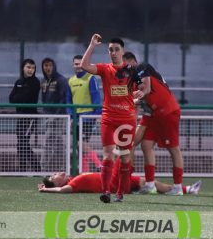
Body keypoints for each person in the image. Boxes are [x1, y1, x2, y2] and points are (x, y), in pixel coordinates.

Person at [80, 34, 136, 203]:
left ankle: (120, 192)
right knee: (108, 156)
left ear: (123, 51)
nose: (113, 52)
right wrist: (91, 45)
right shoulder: (105, 69)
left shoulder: (132, 71)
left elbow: (144, 87)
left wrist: (142, 93)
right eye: (110, 50)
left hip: (126, 120)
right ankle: (105, 191)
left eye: (116, 49)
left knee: (125, 158)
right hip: (108, 119)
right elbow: (84, 65)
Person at [123, 52, 184, 196]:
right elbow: (136, 101)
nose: (124, 67)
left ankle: (178, 187)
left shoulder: (143, 68)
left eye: (126, 63)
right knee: (146, 145)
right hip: (153, 114)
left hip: (167, 111)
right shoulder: (131, 80)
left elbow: (147, 90)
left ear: (133, 61)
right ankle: (150, 185)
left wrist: (134, 101)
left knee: (173, 148)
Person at [38, 157, 202, 195]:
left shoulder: (75, 177)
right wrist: (47, 190)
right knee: (123, 151)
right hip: (115, 184)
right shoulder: (74, 183)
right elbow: (62, 191)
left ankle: (187, 189)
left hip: (116, 180)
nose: (56, 174)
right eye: (53, 177)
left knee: (149, 181)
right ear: (56, 184)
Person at [67, 55, 102, 172]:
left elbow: (96, 97)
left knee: (80, 143)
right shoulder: (71, 80)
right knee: (81, 146)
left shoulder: (91, 78)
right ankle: (85, 171)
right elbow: (68, 100)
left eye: (80, 64)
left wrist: (96, 115)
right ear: (73, 65)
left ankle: (98, 165)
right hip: (76, 118)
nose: (78, 66)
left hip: (87, 117)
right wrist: (71, 114)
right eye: (76, 64)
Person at [9, 59, 41, 172]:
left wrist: (20, 96)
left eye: (32, 68)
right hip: (20, 117)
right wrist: (20, 96)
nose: (30, 70)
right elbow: (11, 99)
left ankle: (36, 168)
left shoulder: (35, 82)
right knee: (20, 142)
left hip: (30, 117)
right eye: (28, 67)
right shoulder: (18, 82)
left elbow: (26, 98)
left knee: (23, 142)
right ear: (23, 68)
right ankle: (22, 168)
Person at [40, 58, 68, 172]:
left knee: (48, 141)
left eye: (50, 65)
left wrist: (56, 115)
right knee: (58, 143)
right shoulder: (44, 81)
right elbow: (44, 99)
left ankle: (43, 167)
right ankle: (64, 167)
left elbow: (63, 98)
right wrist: (46, 114)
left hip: (59, 116)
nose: (48, 68)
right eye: (45, 65)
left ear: (54, 66)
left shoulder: (61, 80)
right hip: (48, 115)